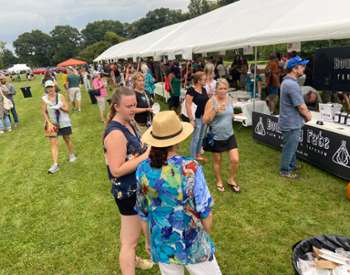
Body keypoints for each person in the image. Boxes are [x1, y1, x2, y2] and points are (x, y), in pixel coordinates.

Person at [135, 111, 222, 275]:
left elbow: (143, 212)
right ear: (178, 139)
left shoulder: (142, 170)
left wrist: (148, 240)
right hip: (193, 240)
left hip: (161, 241)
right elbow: (204, 210)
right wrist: (205, 236)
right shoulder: (190, 168)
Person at [103, 88, 153, 275]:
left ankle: (135, 258)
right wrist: (146, 156)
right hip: (128, 192)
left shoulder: (128, 122)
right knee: (129, 242)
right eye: (128, 106)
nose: (133, 109)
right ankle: (131, 260)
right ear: (116, 107)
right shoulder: (116, 133)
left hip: (136, 189)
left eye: (134, 105)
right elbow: (116, 170)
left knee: (131, 236)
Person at [203, 79, 240, 193]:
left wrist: (236, 115)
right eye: (220, 89)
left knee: (235, 159)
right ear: (216, 90)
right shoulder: (211, 101)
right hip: (216, 136)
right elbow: (205, 120)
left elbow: (229, 114)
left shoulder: (229, 99)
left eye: (225, 88)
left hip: (229, 134)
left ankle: (231, 179)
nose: (223, 91)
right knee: (217, 160)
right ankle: (219, 181)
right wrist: (215, 110)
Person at [278, 56, 312, 179]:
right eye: (302, 66)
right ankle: (285, 170)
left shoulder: (287, 82)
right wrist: (308, 116)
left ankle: (291, 164)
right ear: (294, 68)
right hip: (291, 122)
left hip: (289, 121)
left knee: (291, 145)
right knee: (290, 147)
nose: (304, 68)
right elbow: (301, 107)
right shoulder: (291, 84)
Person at [41, 80, 77, 174]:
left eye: (51, 87)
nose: (50, 89)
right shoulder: (44, 99)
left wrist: (59, 107)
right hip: (52, 123)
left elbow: (67, 109)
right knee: (53, 143)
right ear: (46, 88)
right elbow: (44, 111)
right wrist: (48, 122)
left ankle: (71, 154)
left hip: (63, 121)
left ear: (54, 87)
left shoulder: (60, 96)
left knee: (67, 139)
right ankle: (55, 164)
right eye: (48, 87)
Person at [185, 71, 209, 161]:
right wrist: (191, 119)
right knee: (196, 137)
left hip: (204, 117)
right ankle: (192, 157)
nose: (206, 80)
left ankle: (198, 154)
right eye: (204, 79)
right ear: (198, 81)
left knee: (201, 136)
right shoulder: (191, 90)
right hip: (196, 117)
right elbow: (188, 104)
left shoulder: (204, 90)